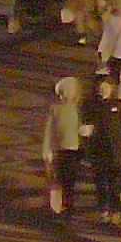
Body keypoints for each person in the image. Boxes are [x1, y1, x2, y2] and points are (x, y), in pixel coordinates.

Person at [40, 72, 87, 218]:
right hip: (59, 149)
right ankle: (58, 206)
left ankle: (67, 205)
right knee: (58, 178)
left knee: (69, 179)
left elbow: (82, 127)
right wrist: (47, 150)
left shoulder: (79, 109)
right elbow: (49, 130)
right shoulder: (55, 109)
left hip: (74, 150)